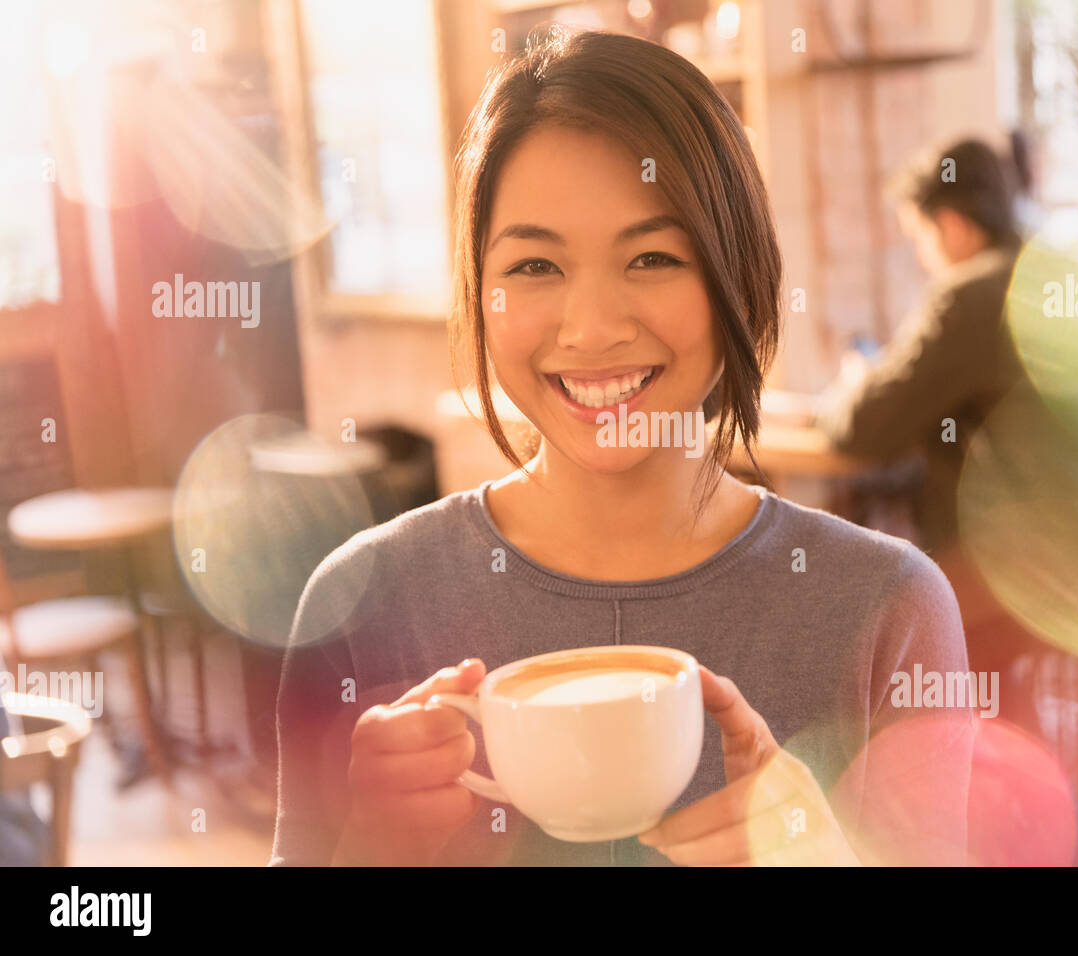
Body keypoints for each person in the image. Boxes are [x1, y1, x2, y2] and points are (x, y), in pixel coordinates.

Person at [269, 27, 973, 868]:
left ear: (736, 277)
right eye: (535, 266)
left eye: (651, 256)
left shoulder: (887, 609)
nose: (593, 328)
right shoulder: (361, 600)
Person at [814, 138, 1025, 557]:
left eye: (918, 238)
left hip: (1017, 577)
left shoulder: (968, 298)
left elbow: (863, 428)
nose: (921, 258)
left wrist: (855, 380)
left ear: (952, 226)